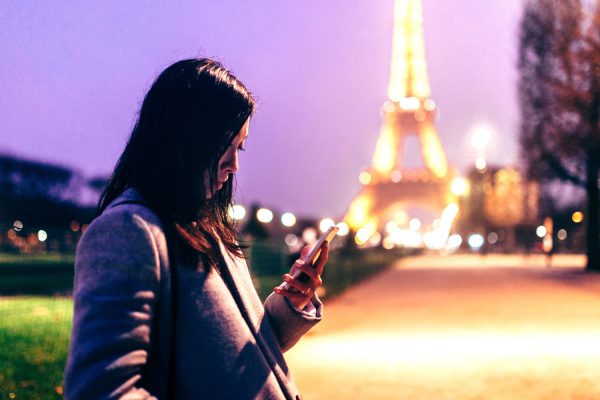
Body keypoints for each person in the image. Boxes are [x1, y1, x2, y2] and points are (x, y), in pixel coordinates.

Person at [64, 58, 328, 399]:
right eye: (225, 145)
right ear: (186, 138)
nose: (234, 165)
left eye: (240, 148)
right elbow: (102, 391)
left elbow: (236, 357)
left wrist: (290, 303)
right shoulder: (127, 231)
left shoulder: (209, 229)